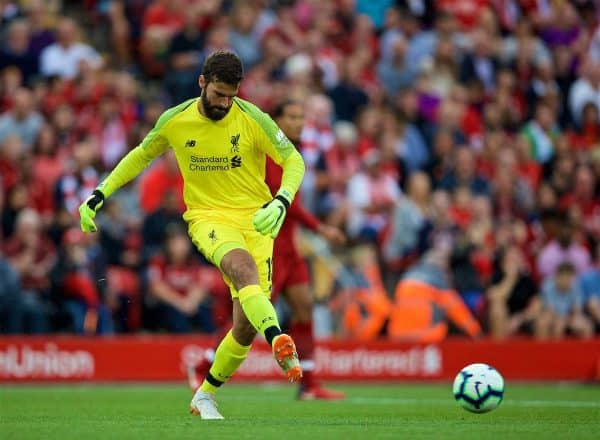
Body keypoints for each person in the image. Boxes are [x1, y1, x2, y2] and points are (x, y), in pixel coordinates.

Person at [78, 51, 306, 420]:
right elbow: (140, 155)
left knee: (244, 326)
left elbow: (294, 159)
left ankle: (205, 394)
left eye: (231, 96)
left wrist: (281, 200)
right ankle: (279, 338)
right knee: (240, 267)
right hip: (208, 217)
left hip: (259, 220)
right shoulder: (176, 120)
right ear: (202, 82)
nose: (224, 103)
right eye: (218, 94)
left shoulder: (252, 118)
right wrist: (100, 192)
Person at [187, 99, 347, 400]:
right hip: (266, 245)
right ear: (276, 120)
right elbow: (283, 202)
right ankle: (202, 366)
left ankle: (309, 385)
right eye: (293, 116)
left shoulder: (293, 154)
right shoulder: (265, 151)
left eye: (302, 117)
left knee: (304, 306)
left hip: (289, 247)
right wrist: (320, 228)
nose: (299, 123)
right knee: (248, 318)